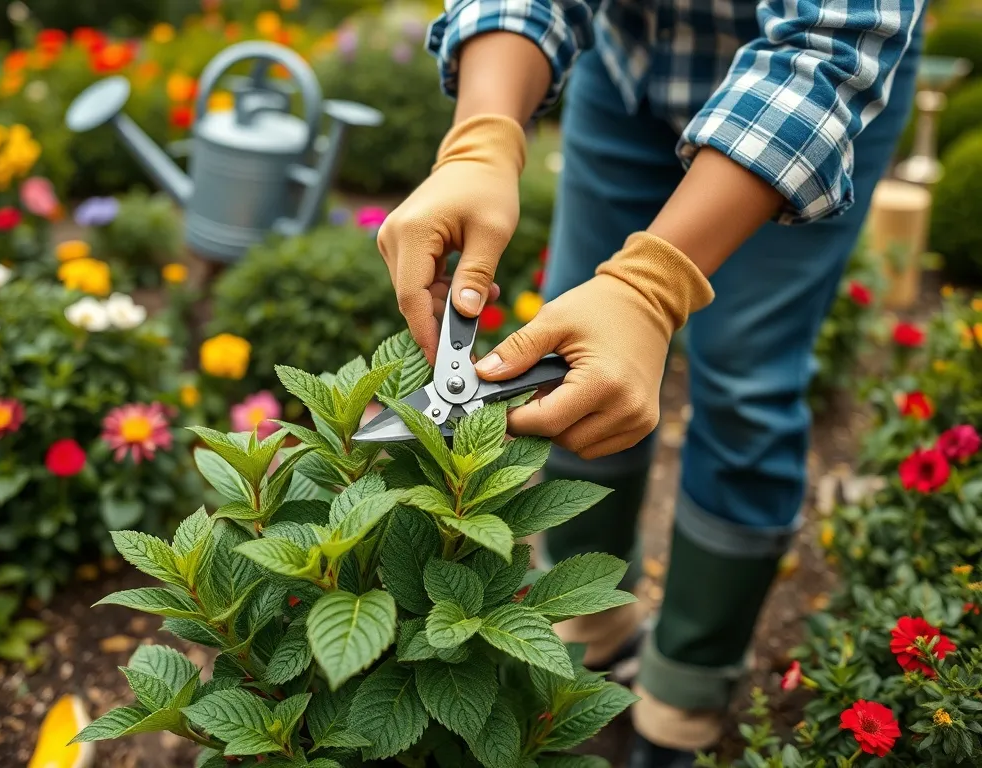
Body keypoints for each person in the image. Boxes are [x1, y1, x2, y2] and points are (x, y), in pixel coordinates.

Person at [375, 0, 925, 764]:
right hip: (631, 66)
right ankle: (588, 642)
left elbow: (830, 37)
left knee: (747, 390)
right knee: (569, 370)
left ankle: (682, 705)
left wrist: (649, 287)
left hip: (809, 88)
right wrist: (482, 138)